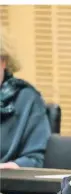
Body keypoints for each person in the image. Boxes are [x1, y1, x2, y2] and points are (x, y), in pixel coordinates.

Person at [0, 29, 51, 168]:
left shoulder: (27, 99)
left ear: (3, 62)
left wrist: (13, 167)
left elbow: (35, 158)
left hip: (9, 183)